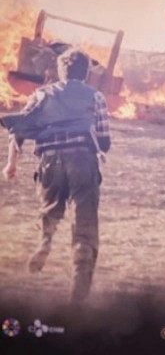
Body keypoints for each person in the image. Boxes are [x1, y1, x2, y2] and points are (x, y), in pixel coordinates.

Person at [1, 48, 111, 303]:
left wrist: (10, 165)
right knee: (84, 225)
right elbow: (104, 141)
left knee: (50, 209)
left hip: (50, 162)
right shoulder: (96, 96)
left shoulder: (41, 94)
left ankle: (45, 240)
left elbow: (19, 130)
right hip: (82, 162)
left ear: (61, 72)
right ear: (86, 74)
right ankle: (79, 290)